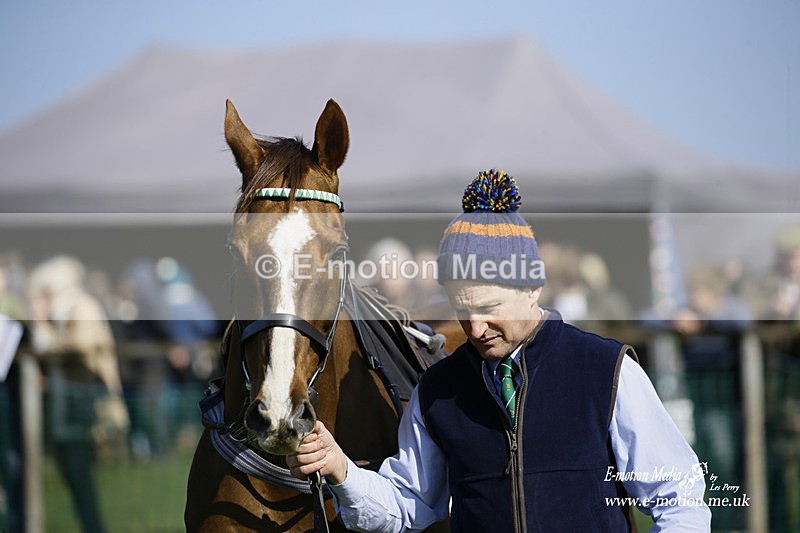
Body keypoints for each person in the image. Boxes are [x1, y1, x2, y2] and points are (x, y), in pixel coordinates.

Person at [288, 170, 711, 531]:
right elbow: (406, 503)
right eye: (461, 309)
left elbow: (678, 497)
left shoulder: (606, 370)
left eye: (489, 308)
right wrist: (342, 471)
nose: (474, 328)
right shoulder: (438, 390)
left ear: (532, 288)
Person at [28, 256, 129, 533]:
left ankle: (94, 525)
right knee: (73, 470)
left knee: (82, 469)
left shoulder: (81, 305)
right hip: (71, 399)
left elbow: (82, 344)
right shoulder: (62, 310)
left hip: (87, 400)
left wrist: (46, 343)